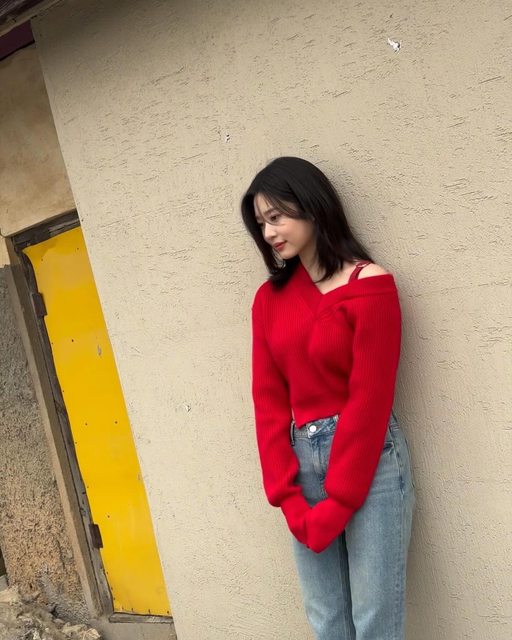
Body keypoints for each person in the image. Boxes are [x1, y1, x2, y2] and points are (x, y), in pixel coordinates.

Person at [241, 156, 415, 640]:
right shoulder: (269, 301)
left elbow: (370, 399)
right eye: (261, 223)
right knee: (327, 621)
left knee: (375, 621)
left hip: (370, 462)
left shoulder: (370, 285)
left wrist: (340, 500)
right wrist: (287, 498)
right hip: (302, 465)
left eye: (277, 216)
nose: (269, 232)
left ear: (312, 206)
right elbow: (268, 403)